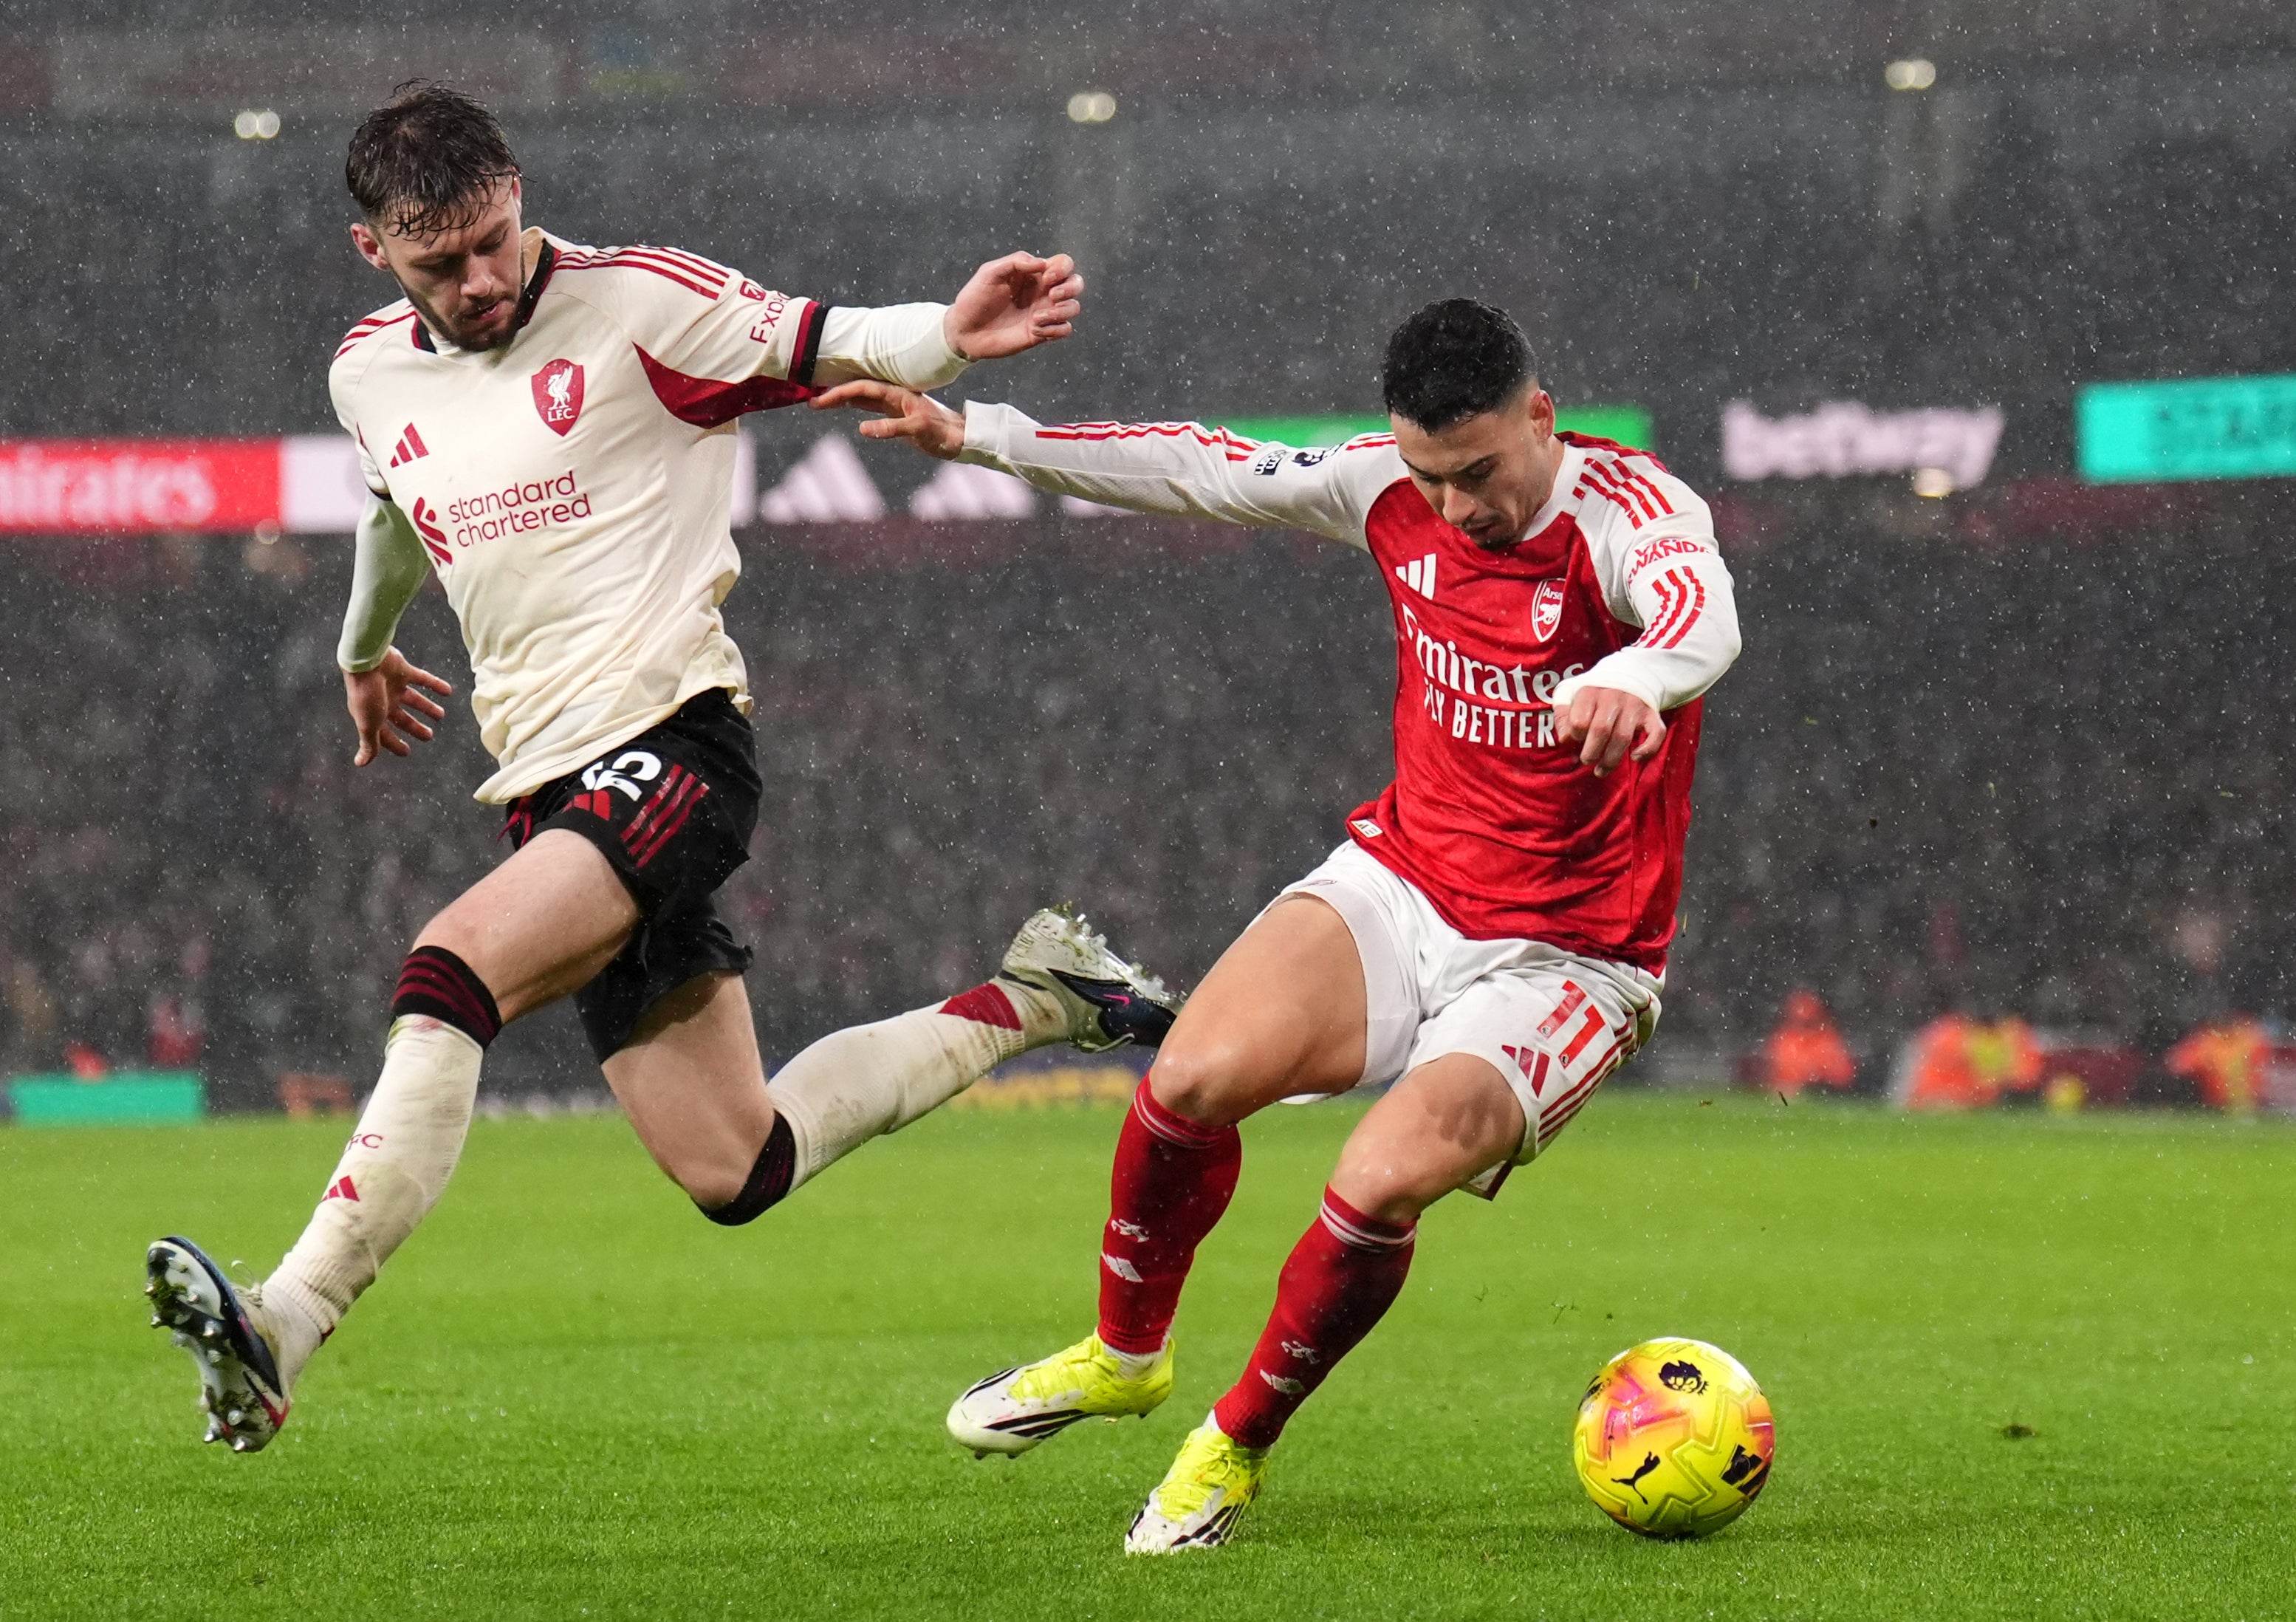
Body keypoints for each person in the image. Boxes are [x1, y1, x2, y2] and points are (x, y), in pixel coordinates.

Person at [145, 83, 1182, 1455]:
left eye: (494, 239)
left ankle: (288, 1318)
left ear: (519, 194)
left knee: (447, 972)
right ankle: (1042, 995)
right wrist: (364, 643)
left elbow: (822, 337)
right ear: (372, 251)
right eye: (440, 260)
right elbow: (395, 501)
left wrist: (946, 331)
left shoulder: (641, 304)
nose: (480, 278)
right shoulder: (366, 371)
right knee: (735, 1163)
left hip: (672, 744)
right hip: (545, 794)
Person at [819, 298, 1741, 1552]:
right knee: (1191, 1076)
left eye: (1478, 472)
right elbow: (1199, 467)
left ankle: (1232, 1443)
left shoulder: (1627, 513)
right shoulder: (1386, 489)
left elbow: (1699, 612)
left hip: (1566, 956)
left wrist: (1633, 675)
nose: (1454, 505)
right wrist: (978, 436)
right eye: (1430, 474)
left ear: (1540, 416)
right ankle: (1123, 1355)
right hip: (1405, 879)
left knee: (1376, 1179)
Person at [1755, 988, 1857, 1095]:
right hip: (1795, 1091)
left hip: (1824, 1093)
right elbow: (1779, 1074)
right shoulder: (1786, 1039)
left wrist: (1815, 1075)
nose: (1804, 1025)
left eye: (1808, 1022)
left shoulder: (1827, 1039)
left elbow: (1842, 1075)